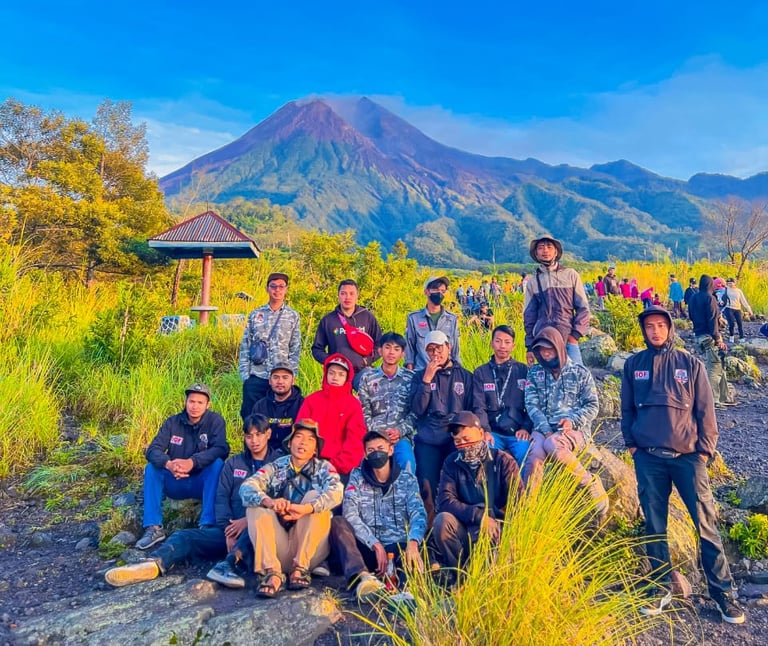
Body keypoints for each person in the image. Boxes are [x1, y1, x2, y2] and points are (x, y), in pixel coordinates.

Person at [621, 307, 745, 623]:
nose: (655, 331)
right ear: (644, 331)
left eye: (661, 325)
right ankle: (659, 587)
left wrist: (704, 451)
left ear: (670, 328)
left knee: (706, 525)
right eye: (650, 326)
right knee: (654, 526)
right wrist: (633, 445)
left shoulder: (690, 364)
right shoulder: (634, 365)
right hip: (648, 458)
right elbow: (627, 410)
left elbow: (706, 411)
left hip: (688, 459)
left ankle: (723, 594)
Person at [105, 414, 275, 587]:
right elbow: (222, 498)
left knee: (257, 528)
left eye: (259, 435)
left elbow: (280, 501)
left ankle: (228, 565)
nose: (254, 440)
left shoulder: (278, 463)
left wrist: (246, 522)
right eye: (249, 436)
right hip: (229, 532)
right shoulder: (234, 464)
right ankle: (154, 563)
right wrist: (228, 530)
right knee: (184, 536)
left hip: (262, 531)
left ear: (268, 434)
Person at [238, 419, 344, 597]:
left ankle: (300, 568)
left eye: (310, 439)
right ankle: (272, 572)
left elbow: (337, 492)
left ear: (315, 449)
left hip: (311, 549)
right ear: (289, 443)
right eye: (299, 437)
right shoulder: (276, 466)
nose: (303, 443)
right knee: (255, 507)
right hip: (280, 545)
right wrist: (269, 502)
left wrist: (306, 509)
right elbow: (247, 487)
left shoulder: (324, 468)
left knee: (314, 496)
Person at [330, 431, 427, 602]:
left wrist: (413, 542)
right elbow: (350, 513)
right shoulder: (357, 476)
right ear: (365, 454)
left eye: (381, 448)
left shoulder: (407, 479)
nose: (376, 453)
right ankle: (363, 579)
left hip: (398, 546)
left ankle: (405, 593)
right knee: (338, 522)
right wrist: (374, 543)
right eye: (371, 450)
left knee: (411, 554)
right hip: (367, 549)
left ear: (390, 450)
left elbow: (418, 513)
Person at [521, 328, 607, 517]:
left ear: (559, 347)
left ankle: (589, 483)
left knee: (554, 445)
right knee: (535, 457)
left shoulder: (580, 372)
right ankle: (529, 509)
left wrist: (572, 421)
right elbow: (531, 404)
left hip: (572, 430)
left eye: (549, 349)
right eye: (541, 350)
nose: (545, 354)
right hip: (542, 429)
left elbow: (593, 405)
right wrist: (546, 430)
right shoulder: (534, 373)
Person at [136, 384, 229, 550]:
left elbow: (221, 449)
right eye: (191, 401)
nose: (195, 406)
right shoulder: (173, 422)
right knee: (152, 468)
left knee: (217, 465)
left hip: (201, 482)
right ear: (186, 402)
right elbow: (153, 450)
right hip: (176, 480)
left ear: (208, 405)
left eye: (200, 402)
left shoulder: (215, 421)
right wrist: (169, 464)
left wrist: (193, 462)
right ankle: (153, 527)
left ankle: (207, 524)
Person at [429, 411, 521, 575]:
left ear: (480, 433)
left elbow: (519, 502)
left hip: (498, 528)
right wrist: (479, 516)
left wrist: (504, 529)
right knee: (442, 521)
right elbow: (445, 501)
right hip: (465, 528)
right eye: (458, 441)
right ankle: (460, 575)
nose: (464, 445)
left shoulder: (503, 461)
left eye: (467, 439)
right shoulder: (451, 462)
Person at [410, 330, 474, 522]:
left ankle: (458, 520)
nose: (435, 353)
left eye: (439, 348)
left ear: (449, 347)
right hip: (428, 436)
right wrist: (426, 380)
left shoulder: (465, 376)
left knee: (459, 479)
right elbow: (418, 409)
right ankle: (430, 526)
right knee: (426, 482)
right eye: (431, 350)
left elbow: (471, 409)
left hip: (455, 436)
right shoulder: (419, 376)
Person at [238, 272, 301, 420]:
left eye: (281, 286)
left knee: (279, 420)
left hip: (281, 377)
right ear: (267, 288)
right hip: (257, 375)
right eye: (273, 286)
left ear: (286, 289)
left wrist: (291, 375)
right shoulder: (255, 314)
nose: (277, 290)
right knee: (252, 419)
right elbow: (245, 345)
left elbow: (295, 348)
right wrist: (246, 376)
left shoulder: (293, 316)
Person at [296, 353, 367, 479]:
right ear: (326, 374)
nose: (335, 377)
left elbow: (355, 442)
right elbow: (300, 433)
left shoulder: (353, 405)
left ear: (347, 377)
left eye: (341, 374)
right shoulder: (311, 400)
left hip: (340, 469)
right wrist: (308, 462)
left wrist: (335, 466)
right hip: (309, 464)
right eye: (331, 373)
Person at [523, 236, 590, 366]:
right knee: (547, 376)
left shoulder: (570, 275)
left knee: (577, 373)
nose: (545, 250)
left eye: (549, 247)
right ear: (536, 253)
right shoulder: (533, 282)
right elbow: (529, 317)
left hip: (568, 337)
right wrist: (530, 346)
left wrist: (575, 335)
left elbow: (583, 308)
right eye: (541, 248)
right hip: (544, 341)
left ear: (556, 252)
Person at [472, 325, 532, 466]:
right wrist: (485, 430)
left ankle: (523, 482)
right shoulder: (481, 372)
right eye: (498, 341)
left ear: (513, 346)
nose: (502, 346)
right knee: (484, 451)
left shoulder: (523, 371)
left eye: (507, 342)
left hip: (517, 432)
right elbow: (479, 406)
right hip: (493, 432)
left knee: (525, 452)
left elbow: (531, 403)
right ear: (492, 343)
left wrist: (525, 427)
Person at [357, 332, 417, 473]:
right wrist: (377, 432)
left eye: (396, 349)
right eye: (387, 347)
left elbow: (415, 413)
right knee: (363, 467)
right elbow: (363, 410)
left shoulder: (411, 378)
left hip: (400, 437)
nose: (391, 352)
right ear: (380, 350)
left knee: (407, 463)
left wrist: (400, 431)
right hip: (374, 436)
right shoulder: (367, 377)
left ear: (403, 354)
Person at [311, 279, 382, 389]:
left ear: (357, 296)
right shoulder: (328, 320)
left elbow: (380, 344)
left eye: (351, 293)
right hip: (338, 373)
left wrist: (367, 360)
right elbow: (317, 349)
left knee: (372, 390)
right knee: (335, 399)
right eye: (343, 293)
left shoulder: (367, 317)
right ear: (338, 296)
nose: (347, 297)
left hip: (361, 370)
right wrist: (331, 361)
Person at [689, 275, 734, 408]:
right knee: (714, 367)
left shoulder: (693, 298)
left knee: (719, 363)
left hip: (699, 335)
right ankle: (712, 400)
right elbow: (712, 320)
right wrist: (718, 338)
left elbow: (690, 316)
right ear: (710, 285)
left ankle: (725, 397)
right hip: (710, 336)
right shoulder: (710, 299)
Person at [405, 276, 460, 371]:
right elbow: (409, 349)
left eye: (443, 291)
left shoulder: (451, 319)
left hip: (445, 373)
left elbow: (455, 351)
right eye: (436, 290)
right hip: (422, 371)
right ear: (426, 292)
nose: (439, 294)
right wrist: (410, 372)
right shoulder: (414, 318)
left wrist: (457, 372)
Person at [250, 363, 304, 453]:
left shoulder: (303, 405)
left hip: (292, 454)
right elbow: (253, 434)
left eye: (285, 377)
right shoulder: (260, 406)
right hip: (265, 454)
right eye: (276, 377)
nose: (280, 381)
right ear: (270, 381)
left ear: (293, 381)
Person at [722, 277, 754, 343]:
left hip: (737, 308)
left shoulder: (738, 291)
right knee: (731, 323)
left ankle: (741, 337)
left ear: (734, 283)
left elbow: (743, 301)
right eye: (728, 283)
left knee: (740, 323)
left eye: (731, 283)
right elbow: (720, 296)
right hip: (729, 308)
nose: (730, 284)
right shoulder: (726, 290)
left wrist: (749, 310)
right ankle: (731, 336)